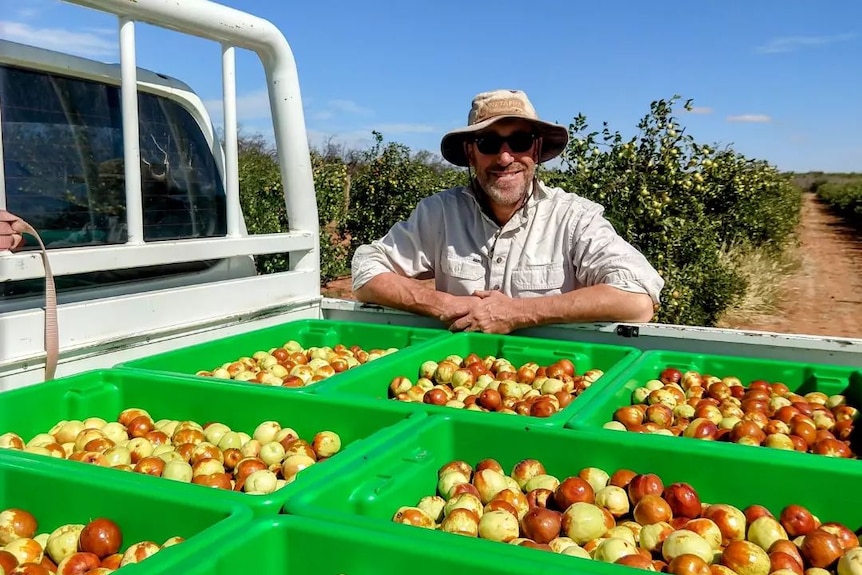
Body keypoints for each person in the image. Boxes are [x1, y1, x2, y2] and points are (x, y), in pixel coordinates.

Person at [352, 89, 665, 334]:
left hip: (549, 383)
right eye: (488, 142)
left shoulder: (574, 218)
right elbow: (366, 271)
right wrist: (442, 304)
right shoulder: (440, 213)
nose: (505, 157)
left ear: (536, 150)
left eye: (519, 141)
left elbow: (637, 299)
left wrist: (518, 312)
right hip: (456, 377)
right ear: (470, 152)